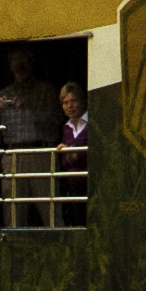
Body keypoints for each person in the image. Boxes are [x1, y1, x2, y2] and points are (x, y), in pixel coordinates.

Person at [0, 46, 63, 228]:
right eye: (15, 61)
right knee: (13, 214)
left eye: (24, 60)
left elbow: (57, 119)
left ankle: (59, 248)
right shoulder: (3, 94)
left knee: (50, 211)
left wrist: (31, 107)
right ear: (10, 65)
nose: (20, 65)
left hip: (40, 154)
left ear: (31, 62)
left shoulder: (45, 90)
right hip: (12, 157)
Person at [53, 74, 93, 228]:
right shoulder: (66, 127)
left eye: (73, 101)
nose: (69, 106)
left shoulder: (93, 122)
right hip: (74, 186)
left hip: (91, 185)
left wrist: (73, 153)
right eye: (65, 102)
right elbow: (64, 162)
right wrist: (69, 155)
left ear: (82, 101)